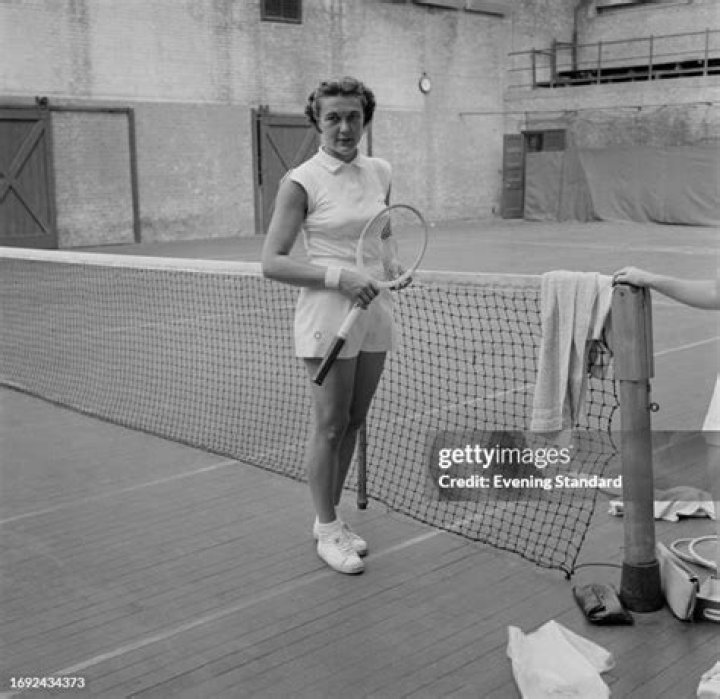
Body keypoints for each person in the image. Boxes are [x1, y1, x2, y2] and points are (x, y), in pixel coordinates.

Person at [261, 77, 394, 575]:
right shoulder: (300, 181)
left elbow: (382, 233)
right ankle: (325, 527)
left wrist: (393, 266)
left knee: (355, 421)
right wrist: (341, 277)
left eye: (353, 117)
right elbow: (272, 262)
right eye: (333, 117)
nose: (344, 127)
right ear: (317, 121)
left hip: (375, 309)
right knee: (330, 424)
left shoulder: (380, 171)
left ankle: (331, 522)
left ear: (365, 119)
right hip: (328, 313)